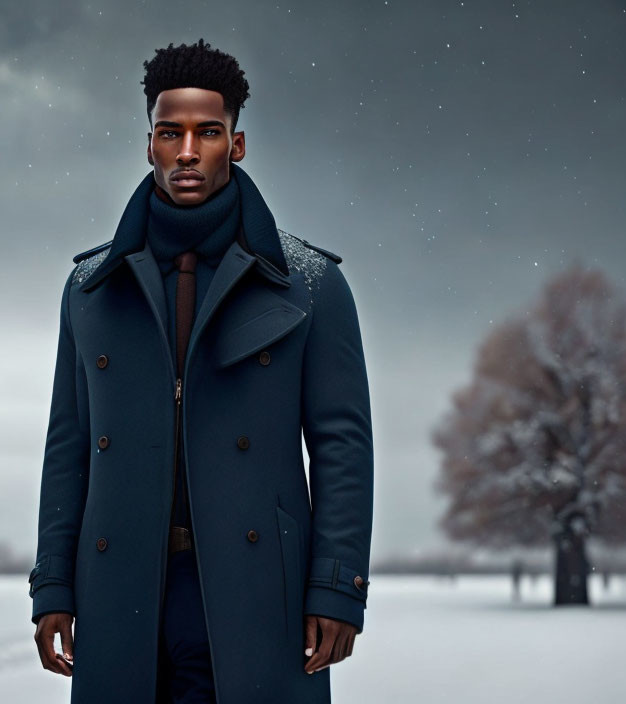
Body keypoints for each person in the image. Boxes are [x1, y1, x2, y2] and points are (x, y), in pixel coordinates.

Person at [30, 38, 374, 704]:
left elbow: (342, 446)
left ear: (235, 145)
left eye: (207, 132)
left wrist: (336, 585)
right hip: (120, 589)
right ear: (149, 144)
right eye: (171, 133)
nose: (188, 151)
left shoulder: (310, 284)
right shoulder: (89, 288)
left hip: (259, 596)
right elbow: (68, 445)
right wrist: (54, 585)